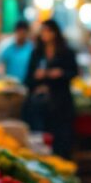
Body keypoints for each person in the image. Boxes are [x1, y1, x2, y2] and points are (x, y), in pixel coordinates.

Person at [24, 20, 80, 159]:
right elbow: (28, 78)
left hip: (61, 103)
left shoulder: (66, 52)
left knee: (61, 139)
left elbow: (73, 73)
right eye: (43, 31)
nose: (45, 34)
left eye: (48, 31)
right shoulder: (36, 53)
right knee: (42, 138)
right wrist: (38, 79)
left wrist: (60, 73)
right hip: (40, 104)